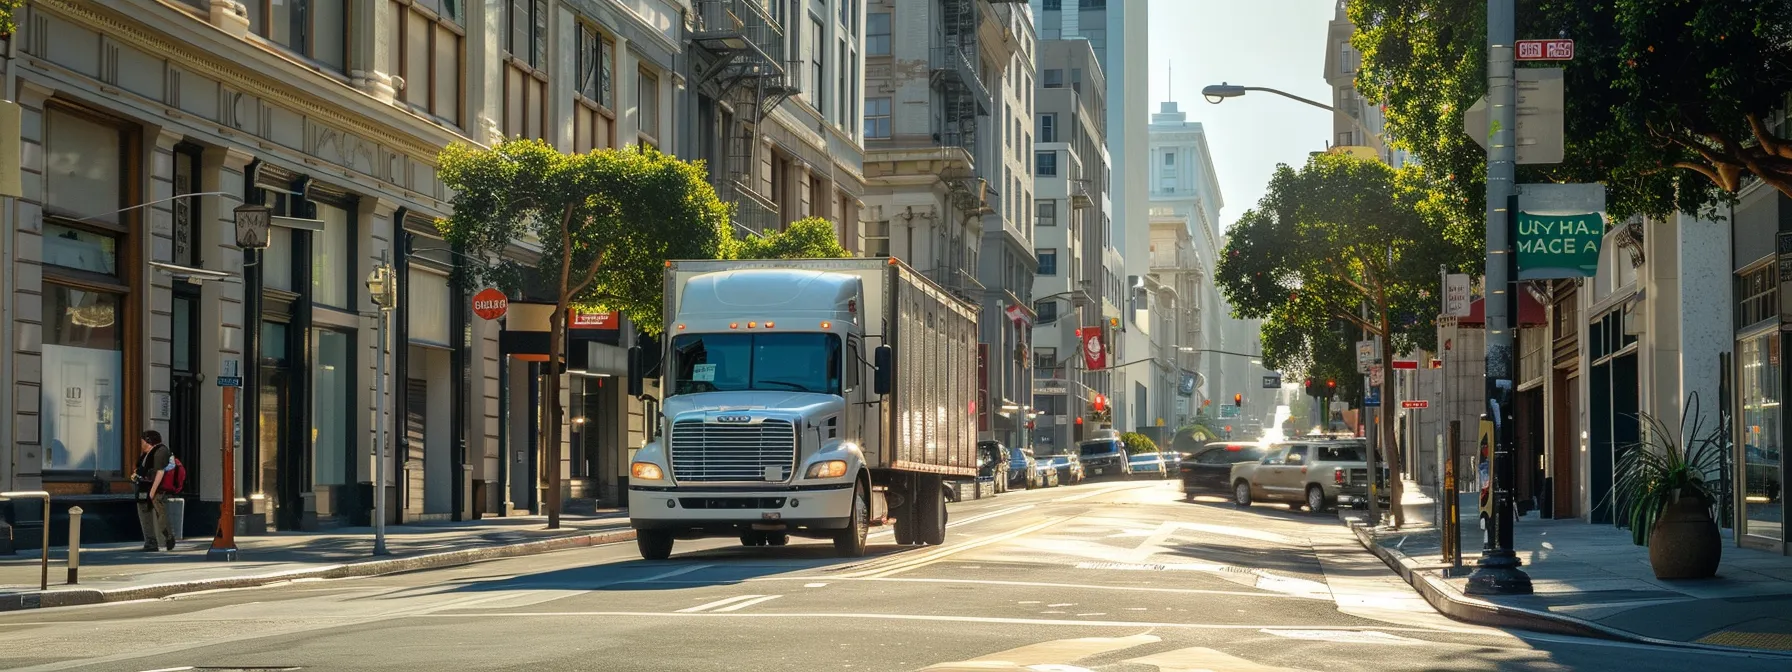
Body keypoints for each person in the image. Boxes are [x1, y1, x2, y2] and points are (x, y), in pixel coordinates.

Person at [134, 430, 176, 551]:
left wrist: (152, 492)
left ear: (149, 441)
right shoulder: (147, 453)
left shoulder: (160, 451)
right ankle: (150, 542)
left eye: (143, 441)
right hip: (143, 486)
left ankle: (168, 537)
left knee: (161, 513)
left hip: (156, 489)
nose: (141, 444)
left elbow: (160, 472)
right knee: (144, 512)